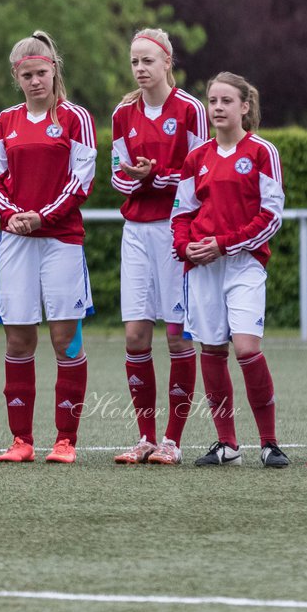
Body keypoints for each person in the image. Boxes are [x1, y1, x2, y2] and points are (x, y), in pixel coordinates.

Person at [0, 31, 95, 464]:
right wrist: (14, 215)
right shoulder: (5, 121)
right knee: (18, 339)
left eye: (42, 73)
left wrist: (42, 216)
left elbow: (81, 179)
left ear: (54, 70)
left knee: (65, 339)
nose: (35, 81)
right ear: (17, 76)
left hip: (61, 240)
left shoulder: (75, 117)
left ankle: (65, 439)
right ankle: (21, 441)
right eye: (27, 75)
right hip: (15, 241)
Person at [171, 72, 289, 468]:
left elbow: (271, 216)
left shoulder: (261, 152)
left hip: (243, 265)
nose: (217, 107)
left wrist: (223, 244)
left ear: (245, 106)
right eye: (212, 100)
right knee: (212, 348)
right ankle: (227, 445)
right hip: (202, 268)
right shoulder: (196, 158)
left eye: (226, 100)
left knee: (246, 348)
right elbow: (182, 214)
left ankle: (270, 443)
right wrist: (185, 247)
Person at [110, 28, 208, 466]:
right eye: (134, 61)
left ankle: (173, 439)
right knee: (135, 335)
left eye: (148, 60)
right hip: (135, 231)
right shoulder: (122, 113)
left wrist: (156, 176)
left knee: (177, 336)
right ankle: (145, 437)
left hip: (175, 229)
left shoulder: (190, 110)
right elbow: (115, 176)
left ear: (168, 62)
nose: (140, 69)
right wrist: (134, 176)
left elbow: (202, 173)